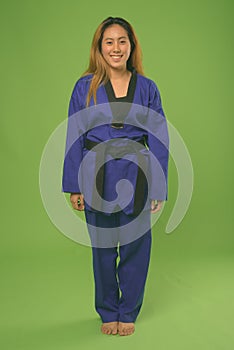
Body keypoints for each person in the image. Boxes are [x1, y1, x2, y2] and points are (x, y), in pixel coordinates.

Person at [62, 16, 169, 336]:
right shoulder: (85, 87)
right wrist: (73, 185)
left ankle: (129, 310)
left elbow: (160, 138)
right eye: (109, 42)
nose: (116, 48)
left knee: (137, 245)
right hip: (96, 173)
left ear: (131, 46)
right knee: (104, 248)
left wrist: (158, 186)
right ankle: (109, 310)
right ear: (99, 48)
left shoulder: (148, 88)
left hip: (137, 172)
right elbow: (74, 135)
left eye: (122, 41)